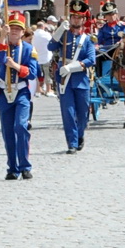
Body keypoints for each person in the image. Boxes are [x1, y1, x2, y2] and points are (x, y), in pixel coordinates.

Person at [0, 13, 38, 180]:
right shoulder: (1, 45)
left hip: (21, 93)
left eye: (18, 29)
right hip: (5, 94)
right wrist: (2, 38)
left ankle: (25, 166)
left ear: (23, 31)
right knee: (8, 132)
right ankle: (12, 168)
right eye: (12, 29)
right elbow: (0, 59)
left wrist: (16, 66)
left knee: (21, 126)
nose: (14, 32)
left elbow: (32, 73)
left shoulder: (28, 49)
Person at [52, 13, 97, 152]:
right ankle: (72, 142)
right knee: (68, 112)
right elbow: (50, 47)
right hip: (65, 80)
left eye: (79, 18)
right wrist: (59, 30)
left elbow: (91, 59)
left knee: (83, 113)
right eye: (73, 17)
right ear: (70, 19)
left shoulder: (88, 39)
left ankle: (80, 134)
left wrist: (72, 67)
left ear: (83, 20)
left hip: (81, 79)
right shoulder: (63, 36)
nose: (76, 20)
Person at [31, 16, 54, 97]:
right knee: (48, 74)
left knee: (37, 74)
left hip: (36, 56)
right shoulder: (46, 34)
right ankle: (48, 90)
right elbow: (52, 42)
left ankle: (37, 90)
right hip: (46, 56)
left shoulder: (33, 34)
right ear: (43, 26)